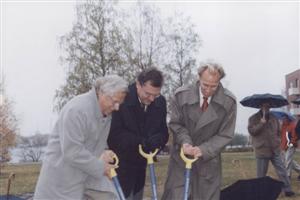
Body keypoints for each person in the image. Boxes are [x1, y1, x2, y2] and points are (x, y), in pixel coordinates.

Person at [34, 75, 128, 200]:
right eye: (115, 101)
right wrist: (101, 167)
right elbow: (72, 151)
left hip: (86, 175)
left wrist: (105, 151)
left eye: (119, 103)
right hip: (61, 179)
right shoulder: (77, 110)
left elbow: (96, 141)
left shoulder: (105, 112)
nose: (117, 107)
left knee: (111, 195)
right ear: (102, 93)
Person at [161, 62, 237, 200]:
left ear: (219, 81)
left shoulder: (228, 102)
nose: (208, 90)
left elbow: (225, 134)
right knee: (176, 195)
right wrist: (185, 142)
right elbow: (176, 124)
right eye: (205, 85)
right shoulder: (181, 96)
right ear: (199, 78)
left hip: (208, 161)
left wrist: (203, 149)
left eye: (213, 86)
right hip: (181, 159)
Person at [107, 67, 168, 200]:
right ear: (138, 84)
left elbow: (163, 132)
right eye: (148, 94)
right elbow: (114, 135)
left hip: (141, 168)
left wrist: (157, 141)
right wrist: (140, 142)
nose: (152, 99)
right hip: (119, 167)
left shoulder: (160, 102)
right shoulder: (121, 99)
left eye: (155, 95)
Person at [248, 103, 295, 197]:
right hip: (262, 149)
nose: (267, 108)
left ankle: (287, 190)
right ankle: (260, 192)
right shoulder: (253, 118)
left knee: (282, 170)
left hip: (275, 149)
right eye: (265, 106)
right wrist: (261, 123)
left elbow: (278, 131)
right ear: (260, 106)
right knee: (261, 174)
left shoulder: (274, 117)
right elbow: (252, 131)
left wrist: (277, 141)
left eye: (268, 106)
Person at [281, 116, 300, 180]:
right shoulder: (283, 126)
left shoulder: (293, 125)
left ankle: (287, 176)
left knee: (287, 160)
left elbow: (294, 136)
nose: (283, 119)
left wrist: (291, 144)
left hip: (291, 145)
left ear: (288, 118)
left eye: (285, 118)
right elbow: (282, 137)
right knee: (289, 161)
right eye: (283, 118)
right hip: (284, 146)